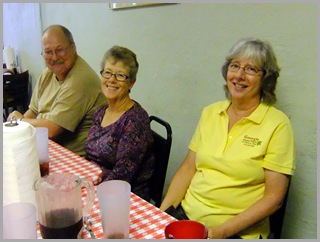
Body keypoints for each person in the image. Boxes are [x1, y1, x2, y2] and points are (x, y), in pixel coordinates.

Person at [160, 38, 295, 239]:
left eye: (251, 69)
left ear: (265, 78)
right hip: (187, 219)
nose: (239, 76)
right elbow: (188, 168)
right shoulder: (210, 113)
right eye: (235, 66)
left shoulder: (277, 124)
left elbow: (274, 198)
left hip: (236, 232)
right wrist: (162, 214)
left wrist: (219, 232)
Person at [7, 25, 105, 156]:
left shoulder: (81, 79)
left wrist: (19, 121)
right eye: (48, 52)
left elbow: (51, 129)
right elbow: (34, 110)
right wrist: (19, 128)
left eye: (59, 50)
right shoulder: (47, 73)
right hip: (47, 149)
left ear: (73, 48)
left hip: (74, 158)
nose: (54, 58)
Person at [84, 45, 155, 201]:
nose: (111, 80)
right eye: (107, 72)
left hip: (123, 197)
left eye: (120, 75)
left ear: (131, 83)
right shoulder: (100, 112)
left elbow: (122, 175)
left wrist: (87, 195)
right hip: (96, 186)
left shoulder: (135, 120)